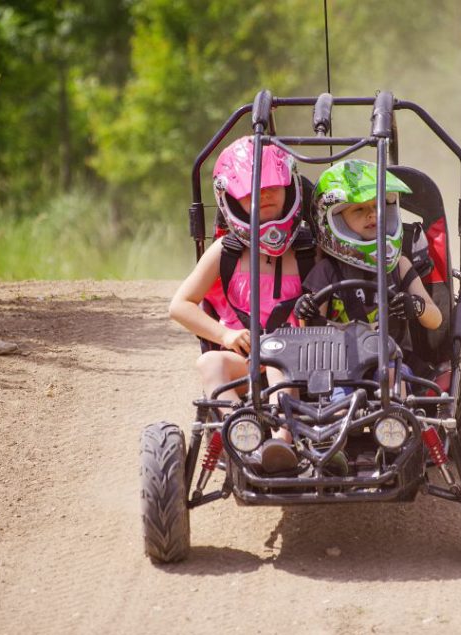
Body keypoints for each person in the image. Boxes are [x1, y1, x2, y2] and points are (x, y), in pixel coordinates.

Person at [169, 136, 312, 474]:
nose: (264, 195)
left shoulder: (307, 249)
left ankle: (281, 440)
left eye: (273, 186)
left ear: (290, 187)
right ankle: (242, 432)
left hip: (298, 356)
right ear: (230, 197)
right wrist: (227, 335)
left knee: (277, 358)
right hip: (242, 356)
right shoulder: (226, 251)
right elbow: (180, 305)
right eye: (251, 190)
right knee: (208, 363)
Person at [294, 159, 443, 371]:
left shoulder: (399, 264)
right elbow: (310, 335)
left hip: (393, 359)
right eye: (359, 209)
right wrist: (306, 313)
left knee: (392, 374)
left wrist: (416, 306)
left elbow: (435, 319)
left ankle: (392, 405)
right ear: (336, 221)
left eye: (377, 205)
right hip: (339, 365)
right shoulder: (326, 270)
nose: (372, 214)